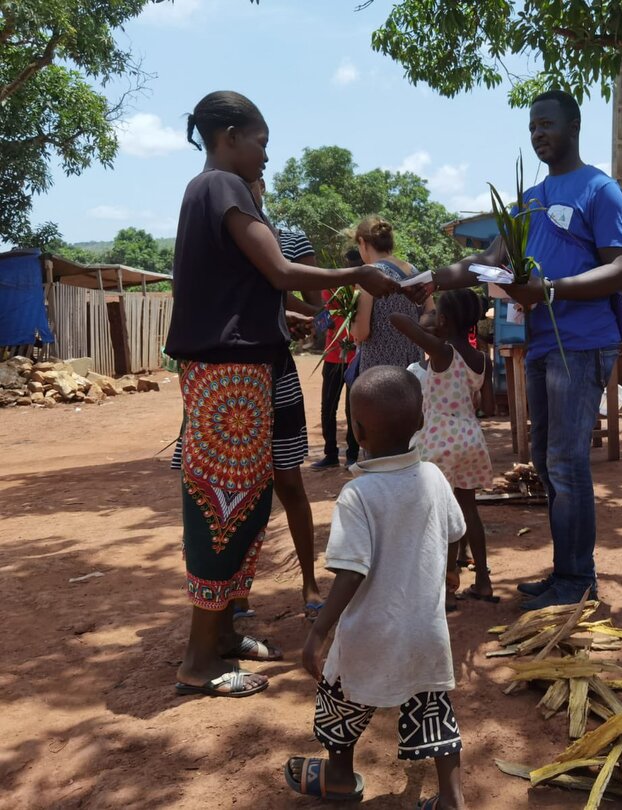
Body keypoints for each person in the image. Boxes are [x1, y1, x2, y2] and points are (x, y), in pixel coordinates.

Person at [166, 90, 403, 698]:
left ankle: (218, 636)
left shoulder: (217, 191)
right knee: (223, 504)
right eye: (261, 143)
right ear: (227, 136)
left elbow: (254, 284)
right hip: (229, 373)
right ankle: (198, 659)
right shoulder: (222, 186)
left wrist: (281, 319)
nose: (266, 157)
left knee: (243, 502)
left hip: (242, 366)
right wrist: (354, 273)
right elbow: (280, 271)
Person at [427, 89, 622, 611]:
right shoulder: (529, 201)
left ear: (574, 125)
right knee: (544, 459)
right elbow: (487, 262)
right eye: (532, 128)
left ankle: (578, 580)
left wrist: (551, 290)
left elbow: (618, 268)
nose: (539, 134)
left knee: (566, 463)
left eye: (547, 125)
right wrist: (427, 278)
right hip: (541, 343)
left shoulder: (599, 190)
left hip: (581, 344)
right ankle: (565, 572)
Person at [284, 366, 468, 809]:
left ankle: (341, 778)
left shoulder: (359, 495)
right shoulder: (434, 478)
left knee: (339, 702)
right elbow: (454, 533)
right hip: (426, 631)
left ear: (358, 432)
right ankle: (452, 799)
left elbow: (351, 571)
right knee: (434, 712)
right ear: (421, 421)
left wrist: (318, 632)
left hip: (369, 635)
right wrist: (450, 574)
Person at [171, 178, 327, 622]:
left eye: (258, 179)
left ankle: (308, 580)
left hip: (273, 374)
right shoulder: (220, 234)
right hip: (232, 382)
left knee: (286, 482)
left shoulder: (288, 239)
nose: (254, 181)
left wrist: (288, 313)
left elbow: (310, 304)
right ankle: (230, 595)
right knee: (226, 488)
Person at [391, 289, 497, 606]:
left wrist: (429, 326)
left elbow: (398, 320)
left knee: (441, 515)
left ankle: (447, 589)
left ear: (445, 320)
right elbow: (489, 408)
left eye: (437, 313)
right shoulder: (481, 360)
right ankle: (483, 581)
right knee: (468, 511)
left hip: (438, 440)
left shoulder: (441, 352)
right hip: (471, 437)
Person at [348, 215, 432, 379]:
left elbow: (362, 332)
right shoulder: (414, 271)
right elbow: (431, 316)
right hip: (413, 368)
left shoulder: (367, 276)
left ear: (362, 242)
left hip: (379, 372)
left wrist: (352, 325)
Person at [310, 247, 361, 470]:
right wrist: (328, 322)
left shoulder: (366, 287)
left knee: (353, 408)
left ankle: (352, 453)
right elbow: (320, 314)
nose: (354, 269)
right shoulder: (333, 285)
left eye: (358, 265)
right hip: (333, 355)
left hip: (356, 356)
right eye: (352, 265)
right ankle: (330, 453)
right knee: (328, 407)